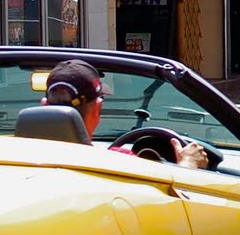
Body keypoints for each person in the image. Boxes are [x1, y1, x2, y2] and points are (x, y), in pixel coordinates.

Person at [44, 59, 208, 169]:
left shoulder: (19, 158)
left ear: (44, 106)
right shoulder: (118, 165)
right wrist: (188, 165)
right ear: (97, 109)